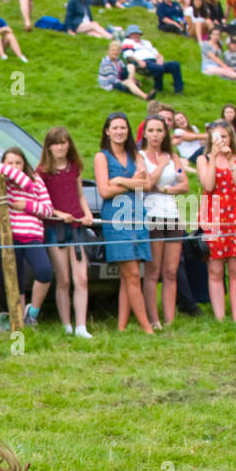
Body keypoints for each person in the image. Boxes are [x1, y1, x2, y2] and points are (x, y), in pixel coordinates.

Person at [95, 112, 153, 333]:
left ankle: (121, 327)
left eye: (123, 127)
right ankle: (146, 327)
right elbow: (105, 190)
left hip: (137, 216)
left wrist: (120, 180)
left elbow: (146, 185)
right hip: (116, 219)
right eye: (115, 128)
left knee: (130, 275)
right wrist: (132, 183)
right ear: (107, 131)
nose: (119, 131)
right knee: (131, 274)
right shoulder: (102, 157)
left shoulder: (135, 154)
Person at [37, 126, 94, 337]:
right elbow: (42, 205)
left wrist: (86, 213)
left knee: (82, 278)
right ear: (49, 147)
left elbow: (80, 196)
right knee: (64, 279)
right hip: (55, 228)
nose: (60, 147)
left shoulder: (74, 167)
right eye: (56, 143)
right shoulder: (42, 171)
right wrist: (60, 214)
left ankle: (81, 326)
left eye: (63, 142)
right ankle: (66, 324)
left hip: (77, 227)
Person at [0, 148, 54, 326]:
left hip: (33, 235)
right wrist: (23, 181)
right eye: (10, 163)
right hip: (11, 237)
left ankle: (32, 312)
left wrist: (26, 205)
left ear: (24, 163)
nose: (14, 167)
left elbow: (48, 209)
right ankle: (17, 320)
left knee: (44, 270)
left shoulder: (37, 181)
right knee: (15, 279)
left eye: (18, 163)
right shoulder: (2, 180)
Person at [138, 116, 189, 329]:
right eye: (151, 130)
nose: (156, 134)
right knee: (153, 270)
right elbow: (147, 183)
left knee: (170, 270)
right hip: (151, 215)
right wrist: (160, 166)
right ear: (145, 133)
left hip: (173, 215)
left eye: (160, 130)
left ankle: (170, 320)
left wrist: (166, 189)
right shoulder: (140, 156)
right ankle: (153, 319)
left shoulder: (173, 157)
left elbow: (184, 184)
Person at [197, 119, 236, 322]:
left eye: (224, 137)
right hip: (214, 217)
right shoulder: (203, 160)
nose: (220, 141)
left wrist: (230, 162)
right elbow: (208, 185)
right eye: (216, 137)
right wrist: (213, 159)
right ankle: (220, 317)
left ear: (231, 138)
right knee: (215, 269)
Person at [121, 25, 183, 94]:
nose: (136, 35)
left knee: (175, 65)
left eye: (137, 33)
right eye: (133, 33)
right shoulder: (128, 42)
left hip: (154, 61)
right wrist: (139, 61)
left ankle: (179, 91)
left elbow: (156, 53)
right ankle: (158, 88)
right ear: (129, 35)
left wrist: (160, 58)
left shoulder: (146, 42)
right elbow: (128, 54)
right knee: (158, 68)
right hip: (143, 62)